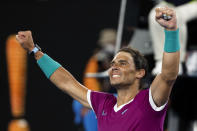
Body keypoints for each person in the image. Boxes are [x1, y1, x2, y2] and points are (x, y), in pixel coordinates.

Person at [16, 7, 180, 131]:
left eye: (123, 63)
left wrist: (171, 31)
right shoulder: (103, 103)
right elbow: (66, 83)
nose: (114, 66)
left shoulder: (149, 100)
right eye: (113, 63)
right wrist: (34, 51)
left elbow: (168, 74)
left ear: (140, 73)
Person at [148, 0, 197, 75]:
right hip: (170, 3)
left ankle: (175, 64)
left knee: (176, 16)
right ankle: (162, 61)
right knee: (156, 14)